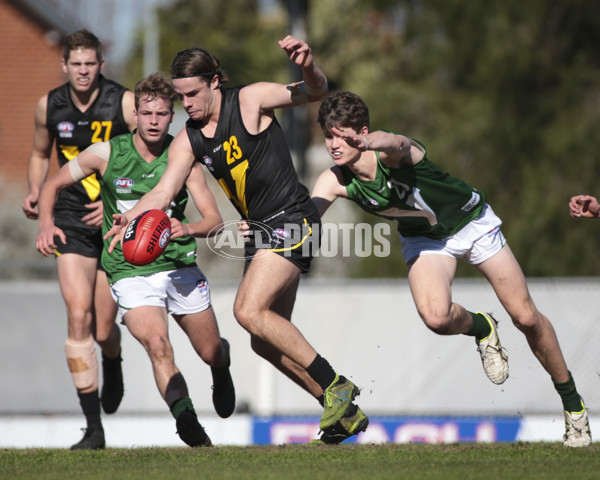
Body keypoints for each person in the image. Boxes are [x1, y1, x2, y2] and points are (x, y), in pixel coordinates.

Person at [105, 36, 368, 445]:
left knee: (247, 310)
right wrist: (130, 217)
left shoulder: (249, 100)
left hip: (292, 219)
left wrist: (308, 65)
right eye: (180, 96)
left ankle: (336, 384)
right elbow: (162, 192)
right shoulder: (187, 140)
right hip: (260, 232)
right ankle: (343, 413)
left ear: (214, 81)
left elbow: (315, 91)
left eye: (193, 93)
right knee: (263, 340)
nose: (186, 104)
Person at [310, 90, 591, 448]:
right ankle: (482, 326)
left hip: (471, 224)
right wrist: (263, 229)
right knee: (436, 317)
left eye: (342, 134)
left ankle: (573, 407)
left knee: (525, 318)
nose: (334, 143)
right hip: (426, 241)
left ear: (361, 131)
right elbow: (305, 218)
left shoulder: (393, 154)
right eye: (328, 135)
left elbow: (395, 140)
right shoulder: (334, 180)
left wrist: (368, 141)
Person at [35, 72, 235, 448]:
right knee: (157, 344)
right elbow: (53, 184)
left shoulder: (184, 159)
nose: (154, 121)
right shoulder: (107, 153)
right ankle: (187, 421)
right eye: (147, 114)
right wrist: (46, 224)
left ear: (171, 116)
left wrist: (186, 228)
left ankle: (222, 367)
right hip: (129, 271)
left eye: (161, 114)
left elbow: (214, 220)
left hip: (178, 267)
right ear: (136, 115)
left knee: (210, 350)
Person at [21, 29, 136, 450]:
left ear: (101, 66)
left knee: (105, 328)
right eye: (76, 64)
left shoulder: (123, 102)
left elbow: (150, 152)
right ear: (64, 66)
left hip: (113, 223)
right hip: (69, 217)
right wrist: (37, 190)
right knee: (79, 317)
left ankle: (113, 359)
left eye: (91, 64)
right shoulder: (49, 105)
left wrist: (123, 204)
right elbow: (38, 153)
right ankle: (93, 429)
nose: (83, 71)